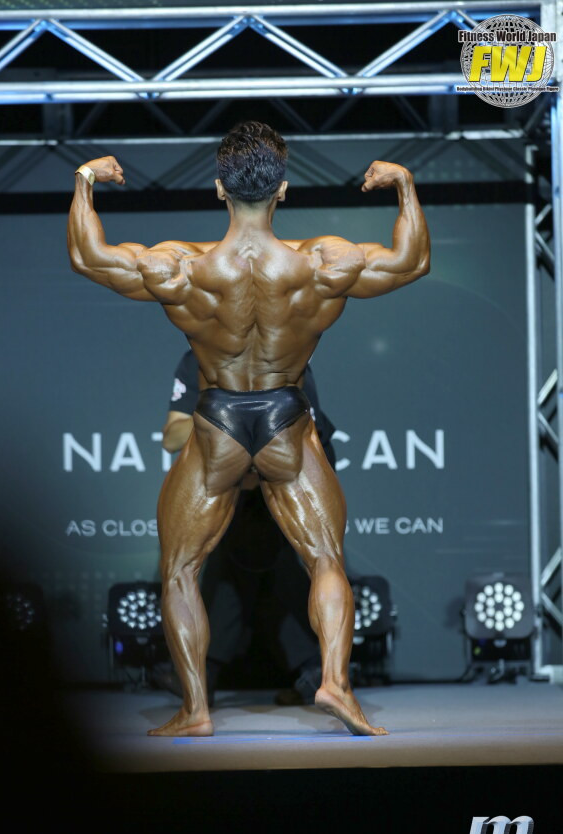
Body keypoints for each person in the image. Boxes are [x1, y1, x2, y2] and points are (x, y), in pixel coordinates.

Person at [67, 121, 430, 737]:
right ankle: (335, 683)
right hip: (287, 417)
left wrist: (84, 180)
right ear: (282, 189)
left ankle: (196, 711)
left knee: (181, 569)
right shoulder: (322, 264)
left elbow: (87, 256)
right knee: (325, 559)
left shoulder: (183, 268)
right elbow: (412, 261)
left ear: (219, 189)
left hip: (219, 421)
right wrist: (405, 184)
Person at [159, 350, 336, 705]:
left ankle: (324, 677)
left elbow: (307, 430)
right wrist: (221, 417)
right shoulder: (199, 355)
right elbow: (172, 436)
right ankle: (202, 675)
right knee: (221, 563)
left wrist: (256, 452)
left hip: (291, 471)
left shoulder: (285, 348)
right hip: (229, 477)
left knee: (304, 563)